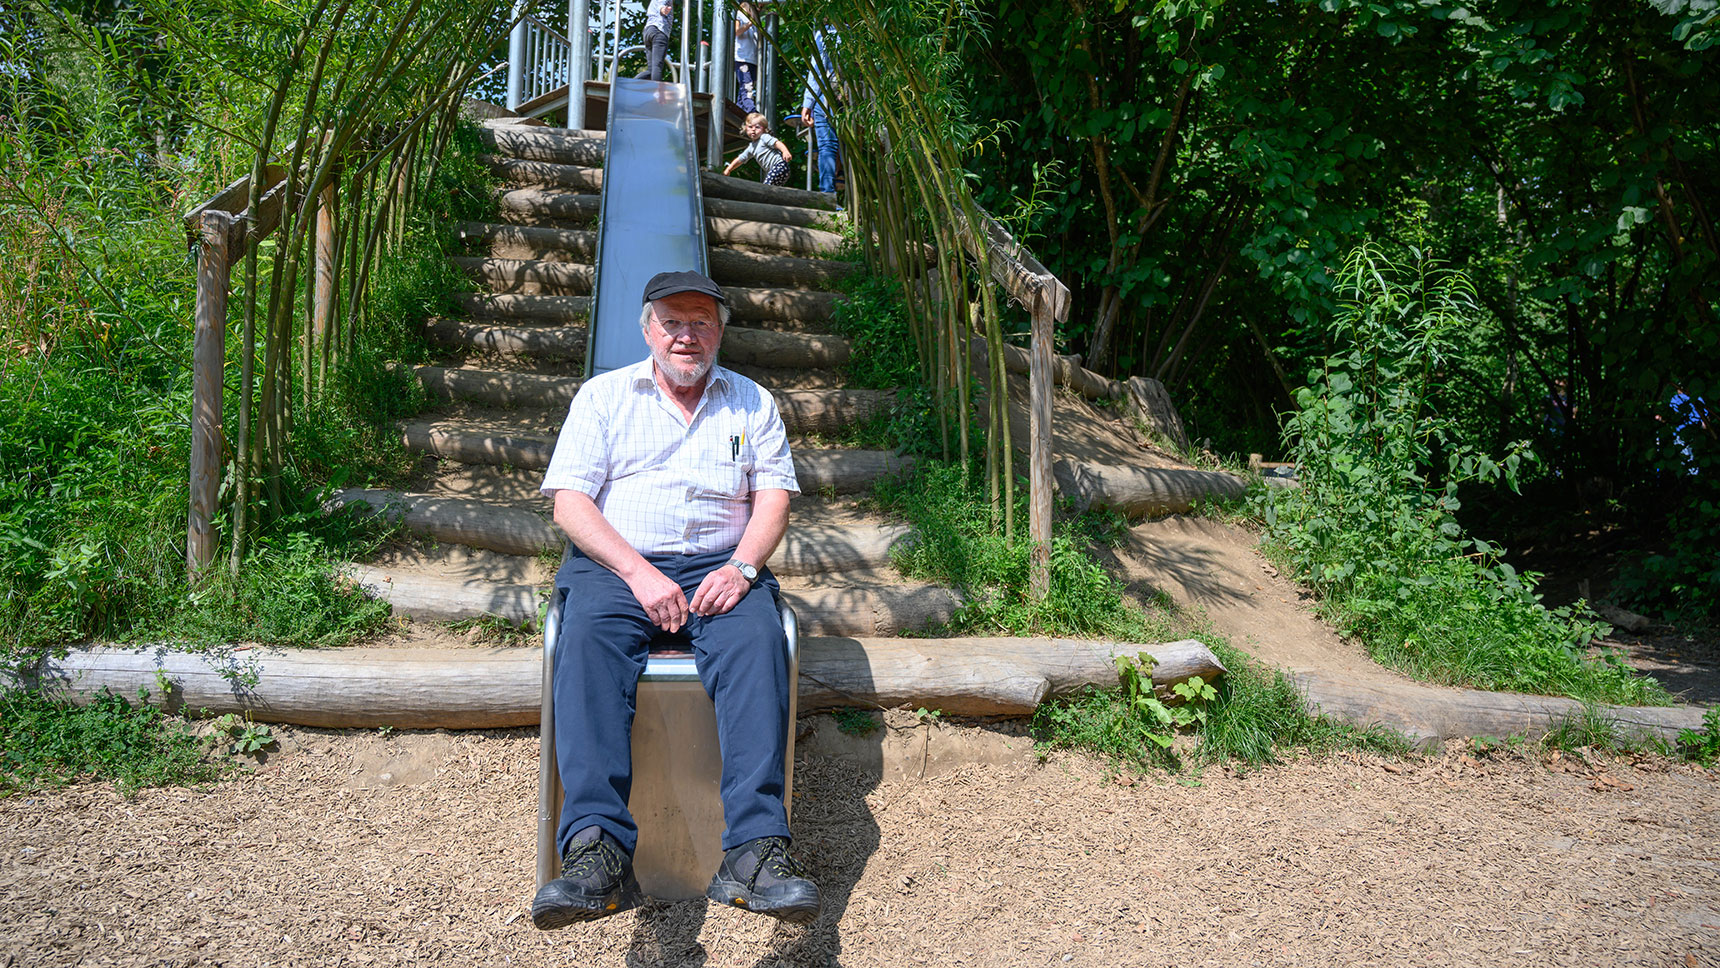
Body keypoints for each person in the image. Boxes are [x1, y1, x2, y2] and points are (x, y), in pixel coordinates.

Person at [531, 270, 819, 930]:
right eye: (672, 322)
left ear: (719, 330)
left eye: (701, 322)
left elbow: (772, 500)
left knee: (755, 640)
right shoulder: (603, 398)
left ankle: (753, 854)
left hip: (721, 565)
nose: (686, 335)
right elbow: (571, 503)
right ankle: (595, 853)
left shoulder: (752, 403)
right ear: (647, 329)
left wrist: (744, 567)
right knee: (589, 637)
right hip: (618, 564)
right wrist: (637, 573)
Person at [798, 22, 841, 196]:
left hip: (827, 95)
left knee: (827, 145)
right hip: (853, 95)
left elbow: (818, 68)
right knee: (844, 145)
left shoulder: (825, 32)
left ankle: (827, 194)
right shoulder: (854, 29)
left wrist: (807, 103)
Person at [723, 112, 792, 186]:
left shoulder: (764, 137)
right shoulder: (751, 147)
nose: (753, 129)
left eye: (757, 127)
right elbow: (740, 159)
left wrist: (785, 151)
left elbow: (777, 143)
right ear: (746, 128)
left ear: (764, 130)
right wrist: (729, 169)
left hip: (779, 166)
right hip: (778, 169)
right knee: (773, 189)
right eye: (750, 127)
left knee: (766, 187)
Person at [733, 2, 760, 113]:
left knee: (746, 88)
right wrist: (749, 24)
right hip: (742, 58)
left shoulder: (754, 19)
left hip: (752, 59)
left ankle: (739, 109)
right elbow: (737, 31)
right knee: (747, 87)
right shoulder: (740, 14)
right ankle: (751, 111)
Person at [637, 3, 673, 82]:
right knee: (657, 67)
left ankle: (630, 85)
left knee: (651, 70)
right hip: (659, 30)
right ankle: (656, 92)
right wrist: (662, 9)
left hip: (648, 31)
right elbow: (661, 3)